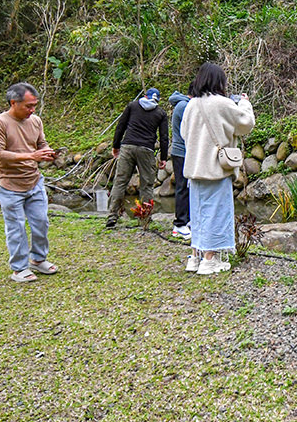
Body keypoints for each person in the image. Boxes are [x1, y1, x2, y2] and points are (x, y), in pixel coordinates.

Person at [180, 63, 254, 275]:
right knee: (216, 213)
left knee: (198, 213)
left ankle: (195, 257)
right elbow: (245, 124)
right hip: (215, 168)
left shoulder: (191, 105)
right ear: (219, 81)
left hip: (194, 167)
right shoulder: (223, 103)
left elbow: (185, 134)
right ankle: (210, 260)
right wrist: (245, 104)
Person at [0, 82, 58, 283]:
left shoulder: (35, 121)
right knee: (16, 227)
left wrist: (47, 152)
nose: (32, 110)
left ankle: (38, 259)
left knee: (41, 222)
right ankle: (19, 268)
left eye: (34, 105)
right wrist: (31, 155)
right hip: (9, 184)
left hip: (33, 180)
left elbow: (41, 143)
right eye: (28, 106)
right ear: (13, 103)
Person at [107, 87, 168, 229]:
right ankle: (144, 218)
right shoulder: (160, 113)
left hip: (128, 146)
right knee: (146, 184)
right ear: (157, 100)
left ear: (145, 96)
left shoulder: (132, 106)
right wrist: (163, 158)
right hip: (146, 150)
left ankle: (112, 216)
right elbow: (164, 137)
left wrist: (116, 145)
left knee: (120, 182)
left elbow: (120, 126)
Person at [167, 90, 191, 240]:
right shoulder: (183, 106)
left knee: (187, 187)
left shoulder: (183, 104)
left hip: (184, 152)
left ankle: (187, 221)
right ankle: (179, 224)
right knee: (182, 187)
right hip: (181, 152)